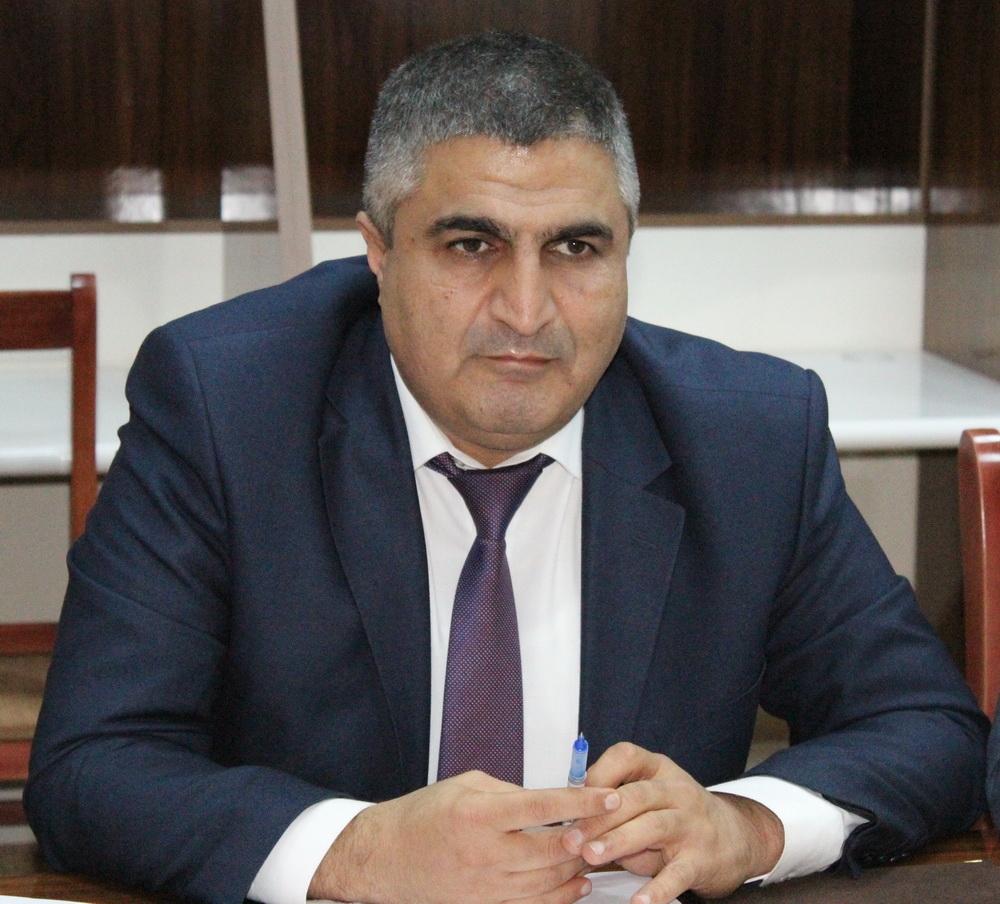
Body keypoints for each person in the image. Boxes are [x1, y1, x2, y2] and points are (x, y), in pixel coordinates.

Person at [25, 31, 987, 904]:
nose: (526, 312)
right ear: (377, 252)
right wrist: (358, 851)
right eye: (471, 244)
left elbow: (928, 728)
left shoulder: (749, 436)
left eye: (575, 247)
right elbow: (92, 765)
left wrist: (747, 827)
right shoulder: (227, 408)